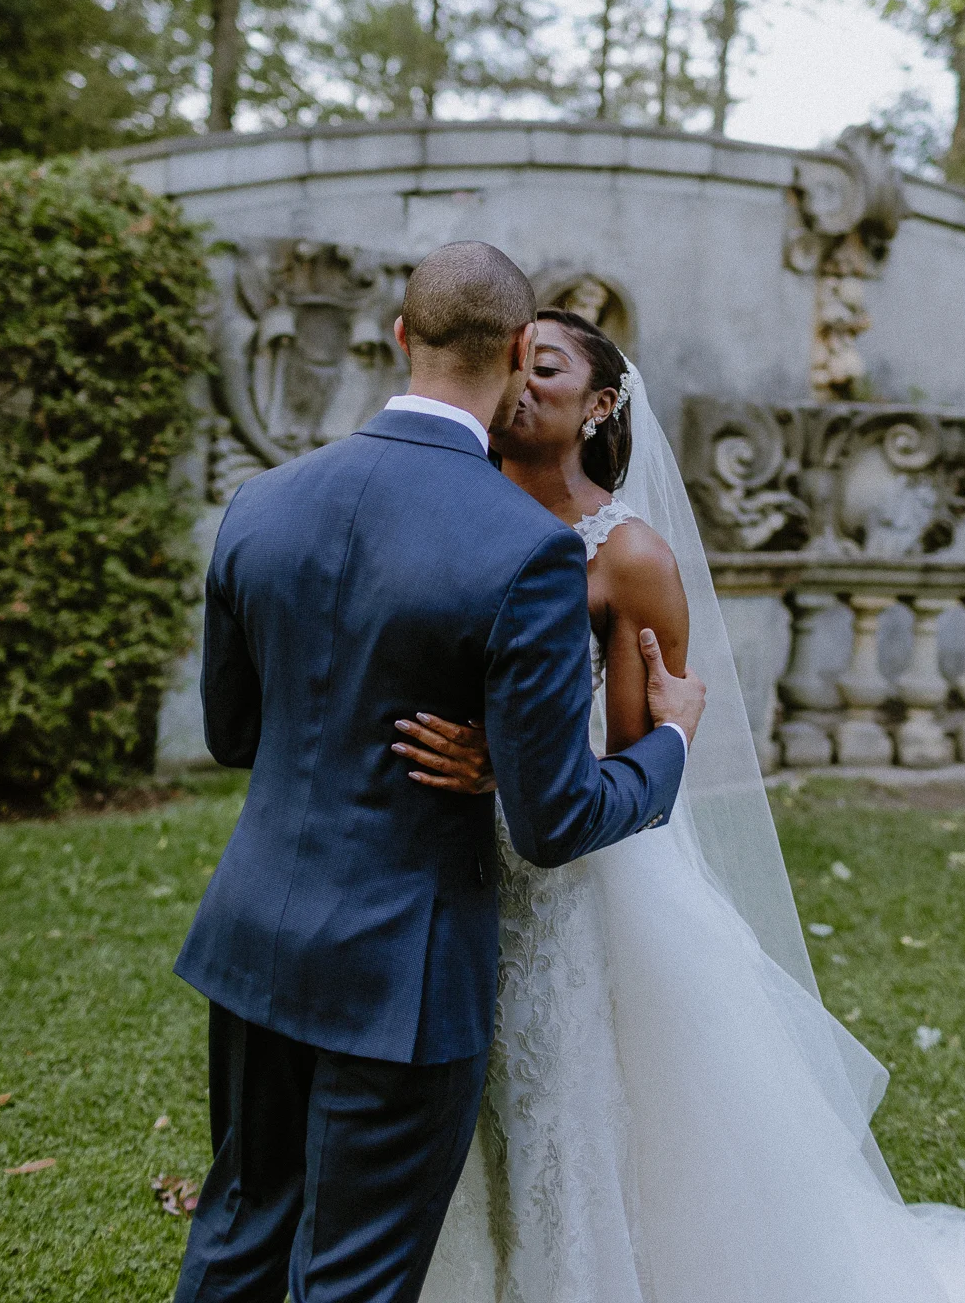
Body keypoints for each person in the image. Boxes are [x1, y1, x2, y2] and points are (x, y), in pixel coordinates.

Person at [394, 311, 965, 1303]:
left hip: (561, 885)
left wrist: (509, 768)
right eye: (514, 364)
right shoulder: (450, 503)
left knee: (553, 1108)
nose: (521, 382)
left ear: (599, 406)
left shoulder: (628, 557)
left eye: (546, 368)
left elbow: (633, 767)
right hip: (432, 863)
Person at [170, 244, 707, 1303]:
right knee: (354, 1276)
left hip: (254, 938)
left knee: (238, 1236)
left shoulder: (261, 501)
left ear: (400, 336)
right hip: (401, 971)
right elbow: (556, 823)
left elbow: (235, 737)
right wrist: (672, 742)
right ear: (518, 348)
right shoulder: (528, 549)